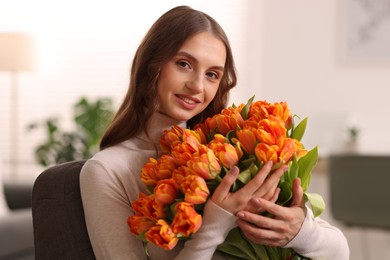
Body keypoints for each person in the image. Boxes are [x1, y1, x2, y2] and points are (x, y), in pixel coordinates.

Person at [80, 5, 349, 260]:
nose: (197, 86)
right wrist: (214, 225)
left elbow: (340, 252)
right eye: (184, 64)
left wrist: (301, 232)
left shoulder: (230, 149)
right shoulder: (107, 171)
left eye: (211, 74)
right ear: (152, 64)